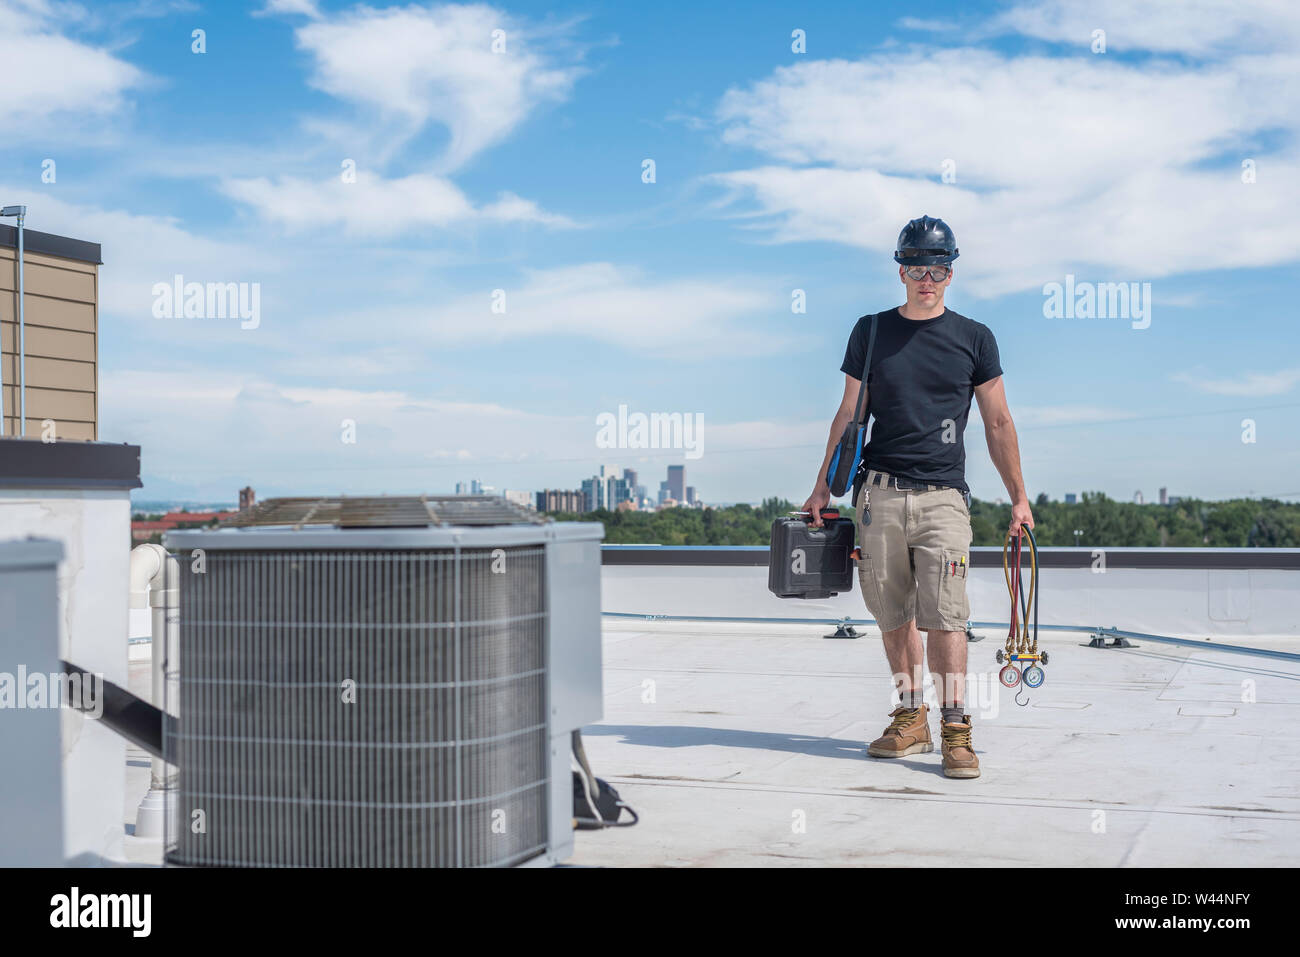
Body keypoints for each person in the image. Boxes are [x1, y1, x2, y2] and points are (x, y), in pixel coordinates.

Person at [800, 215, 1033, 778]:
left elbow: (998, 422)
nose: (926, 278)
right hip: (878, 494)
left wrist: (1019, 499)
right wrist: (822, 486)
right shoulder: (872, 331)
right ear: (900, 271)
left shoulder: (975, 338)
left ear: (950, 274)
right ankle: (912, 718)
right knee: (892, 615)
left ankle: (956, 730)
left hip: (944, 500)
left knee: (946, 617)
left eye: (938, 268)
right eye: (915, 268)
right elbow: (850, 413)